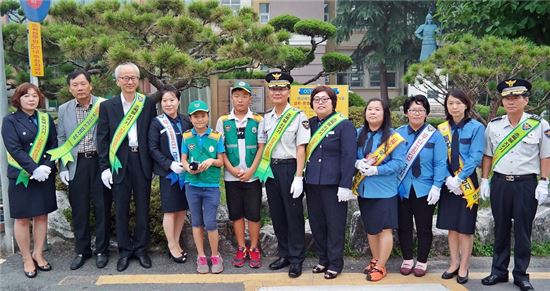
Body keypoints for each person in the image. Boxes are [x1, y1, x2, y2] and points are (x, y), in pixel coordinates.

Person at [480, 79, 549, 291]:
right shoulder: (494, 125)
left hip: (526, 184)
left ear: (525, 100)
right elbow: (488, 155)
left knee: (523, 230)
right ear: (502, 101)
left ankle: (521, 274)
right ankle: (498, 271)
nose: (510, 102)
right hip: (500, 182)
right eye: (506, 98)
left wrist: (544, 182)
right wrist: (485, 179)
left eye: (516, 97)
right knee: (500, 228)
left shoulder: (539, 125)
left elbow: (545, 156)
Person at [97, 62, 157, 272]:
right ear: (117, 81)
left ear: (138, 80)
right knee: (121, 208)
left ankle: (141, 249)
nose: (129, 81)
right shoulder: (107, 106)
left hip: (141, 162)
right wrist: (104, 166)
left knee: (142, 207)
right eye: (125, 78)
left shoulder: (147, 104)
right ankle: (124, 251)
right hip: (118, 163)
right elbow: (102, 138)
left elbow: (152, 135)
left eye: (133, 78)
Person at [51, 70, 112, 270]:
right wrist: (63, 167)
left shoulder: (104, 105)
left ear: (90, 85)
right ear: (70, 88)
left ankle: (102, 250)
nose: (79, 88)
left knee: (102, 207)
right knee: (79, 210)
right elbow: (61, 139)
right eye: (75, 84)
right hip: (77, 165)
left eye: (83, 83)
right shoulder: (63, 109)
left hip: (100, 163)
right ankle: (82, 250)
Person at [256, 72, 310, 278]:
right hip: (271, 171)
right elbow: (263, 147)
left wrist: (298, 177)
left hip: (290, 170)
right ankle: (285, 254)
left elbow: (300, 149)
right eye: (273, 88)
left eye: (281, 88)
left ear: (289, 91)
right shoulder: (266, 118)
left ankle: (297, 259)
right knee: (277, 215)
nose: (277, 92)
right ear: (269, 91)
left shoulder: (298, 116)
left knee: (293, 216)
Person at [2, 83, 58, 278]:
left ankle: (39, 253)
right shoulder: (10, 121)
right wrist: (34, 169)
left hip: (44, 175)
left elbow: (54, 145)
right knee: (23, 218)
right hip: (22, 176)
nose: (31, 99)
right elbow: (14, 148)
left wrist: (48, 167)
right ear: (18, 99)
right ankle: (27, 258)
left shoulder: (46, 119)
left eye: (35, 96)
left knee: (42, 215)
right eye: (26, 96)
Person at [304, 86, 356, 279]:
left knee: (335, 225)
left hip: (334, 186)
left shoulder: (344, 125)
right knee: (317, 224)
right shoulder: (309, 125)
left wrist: (345, 185)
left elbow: (349, 156)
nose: (320, 103)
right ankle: (323, 259)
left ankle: (335, 263)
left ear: (333, 102)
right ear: (312, 103)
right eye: (317, 99)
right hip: (312, 184)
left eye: (325, 99)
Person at [354, 98, 406, 282]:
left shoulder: (394, 137)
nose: (372, 112)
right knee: (371, 229)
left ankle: (382, 266)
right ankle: (375, 260)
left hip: (385, 191)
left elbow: (400, 163)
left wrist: (378, 169)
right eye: (369, 109)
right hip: (364, 190)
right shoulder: (359, 133)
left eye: (377, 109)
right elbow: (351, 155)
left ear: (385, 114)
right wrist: (356, 162)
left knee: (385, 229)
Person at [436, 90, 485, 285]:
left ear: (466, 105)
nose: (454, 107)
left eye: (458, 103)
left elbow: (476, 155)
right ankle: (454, 263)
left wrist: (460, 179)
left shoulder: (476, 128)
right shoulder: (441, 129)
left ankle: (464, 266)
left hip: (468, 183)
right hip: (448, 184)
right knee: (451, 227)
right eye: (450, 103)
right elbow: (439, 158)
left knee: (465, 228)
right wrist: (448, 179)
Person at [215, 81, 265, 268]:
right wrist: (231, 169)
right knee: (236, 214)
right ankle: (241, 247)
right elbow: (221, 150)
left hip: (253, 176)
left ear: (250, 98)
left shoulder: (258, 120)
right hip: (231, 176)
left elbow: (261, 147)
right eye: (237, 96)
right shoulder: (223, 121)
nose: (240, 99)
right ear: (232, 98)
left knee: (253, 214)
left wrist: (252, 170)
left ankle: (254, 248)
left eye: (244, 96)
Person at [395, 95, 447, 277]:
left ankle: (422, 261)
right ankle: (407, 259)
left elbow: (441, 163)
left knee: (424, 227)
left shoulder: (434, 135)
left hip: (425, 189)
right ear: (406, 113)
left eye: (421, 110)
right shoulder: (398, 134)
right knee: (404, 226)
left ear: (426, 113)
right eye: (412, 110)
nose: (416, 113)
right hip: (402, 187)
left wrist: (437, 186)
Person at [148, 86, 192, 264]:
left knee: (181, 209)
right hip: (168, 173)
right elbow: (152, 149)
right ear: (161, 103)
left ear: (178, 101)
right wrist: (169, 164)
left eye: (172, 100)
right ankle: (172, 245)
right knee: (170, 210)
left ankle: (176, 242)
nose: (168, 103)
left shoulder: (185, 121)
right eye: (165, 100)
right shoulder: (156, 123)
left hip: (185, 173)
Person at [181, 100, 225, 274]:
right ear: (190, 118)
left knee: (211, 222)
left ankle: (215, 255)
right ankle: (201, 256)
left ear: (208, 116)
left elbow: (221, 161)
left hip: (211, 185)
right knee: (197, 222)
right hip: (192, 185)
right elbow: (184, 159)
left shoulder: (216, 136)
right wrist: (187, 169)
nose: (200, 119)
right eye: (196, 116)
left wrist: (211, 160)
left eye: (203, 116)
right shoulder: (186, 137)